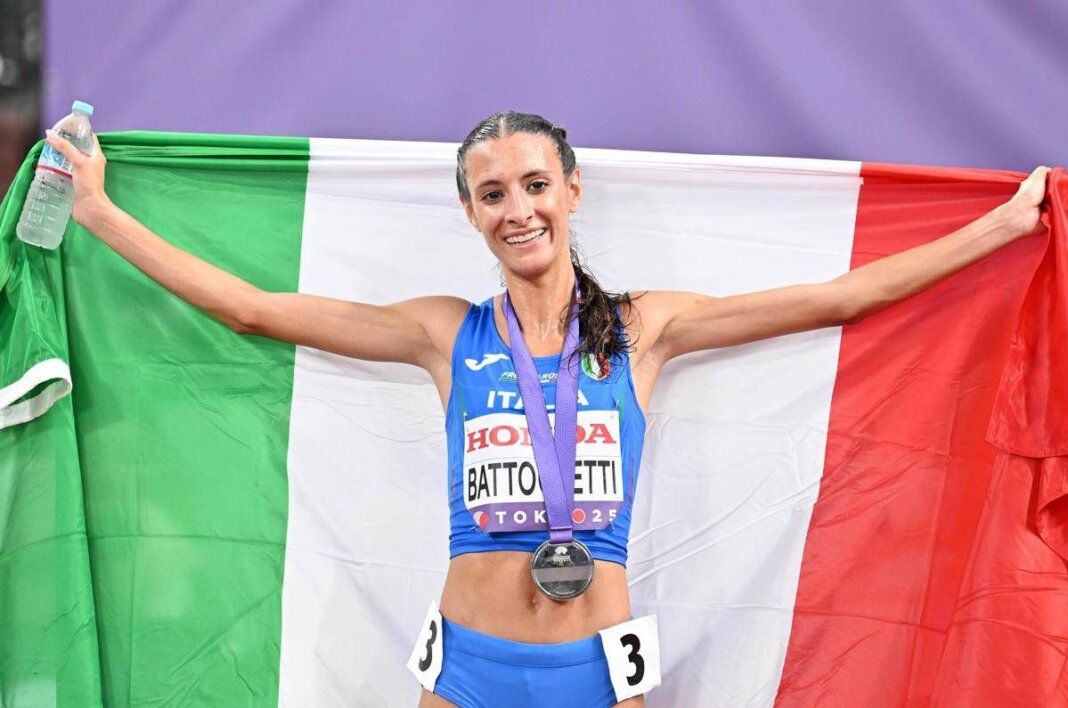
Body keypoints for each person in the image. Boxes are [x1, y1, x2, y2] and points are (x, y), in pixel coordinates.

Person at [45, 112, 1050, 707]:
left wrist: (1004, 227)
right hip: (466, 666)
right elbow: (255, 310)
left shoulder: (644, 329)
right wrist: (98, 211)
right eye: (492, 194)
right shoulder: (444, 332)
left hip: (599, 669)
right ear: (470, 213)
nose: (517, 208)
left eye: (534, 184)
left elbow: (839, 298)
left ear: (572, 191)